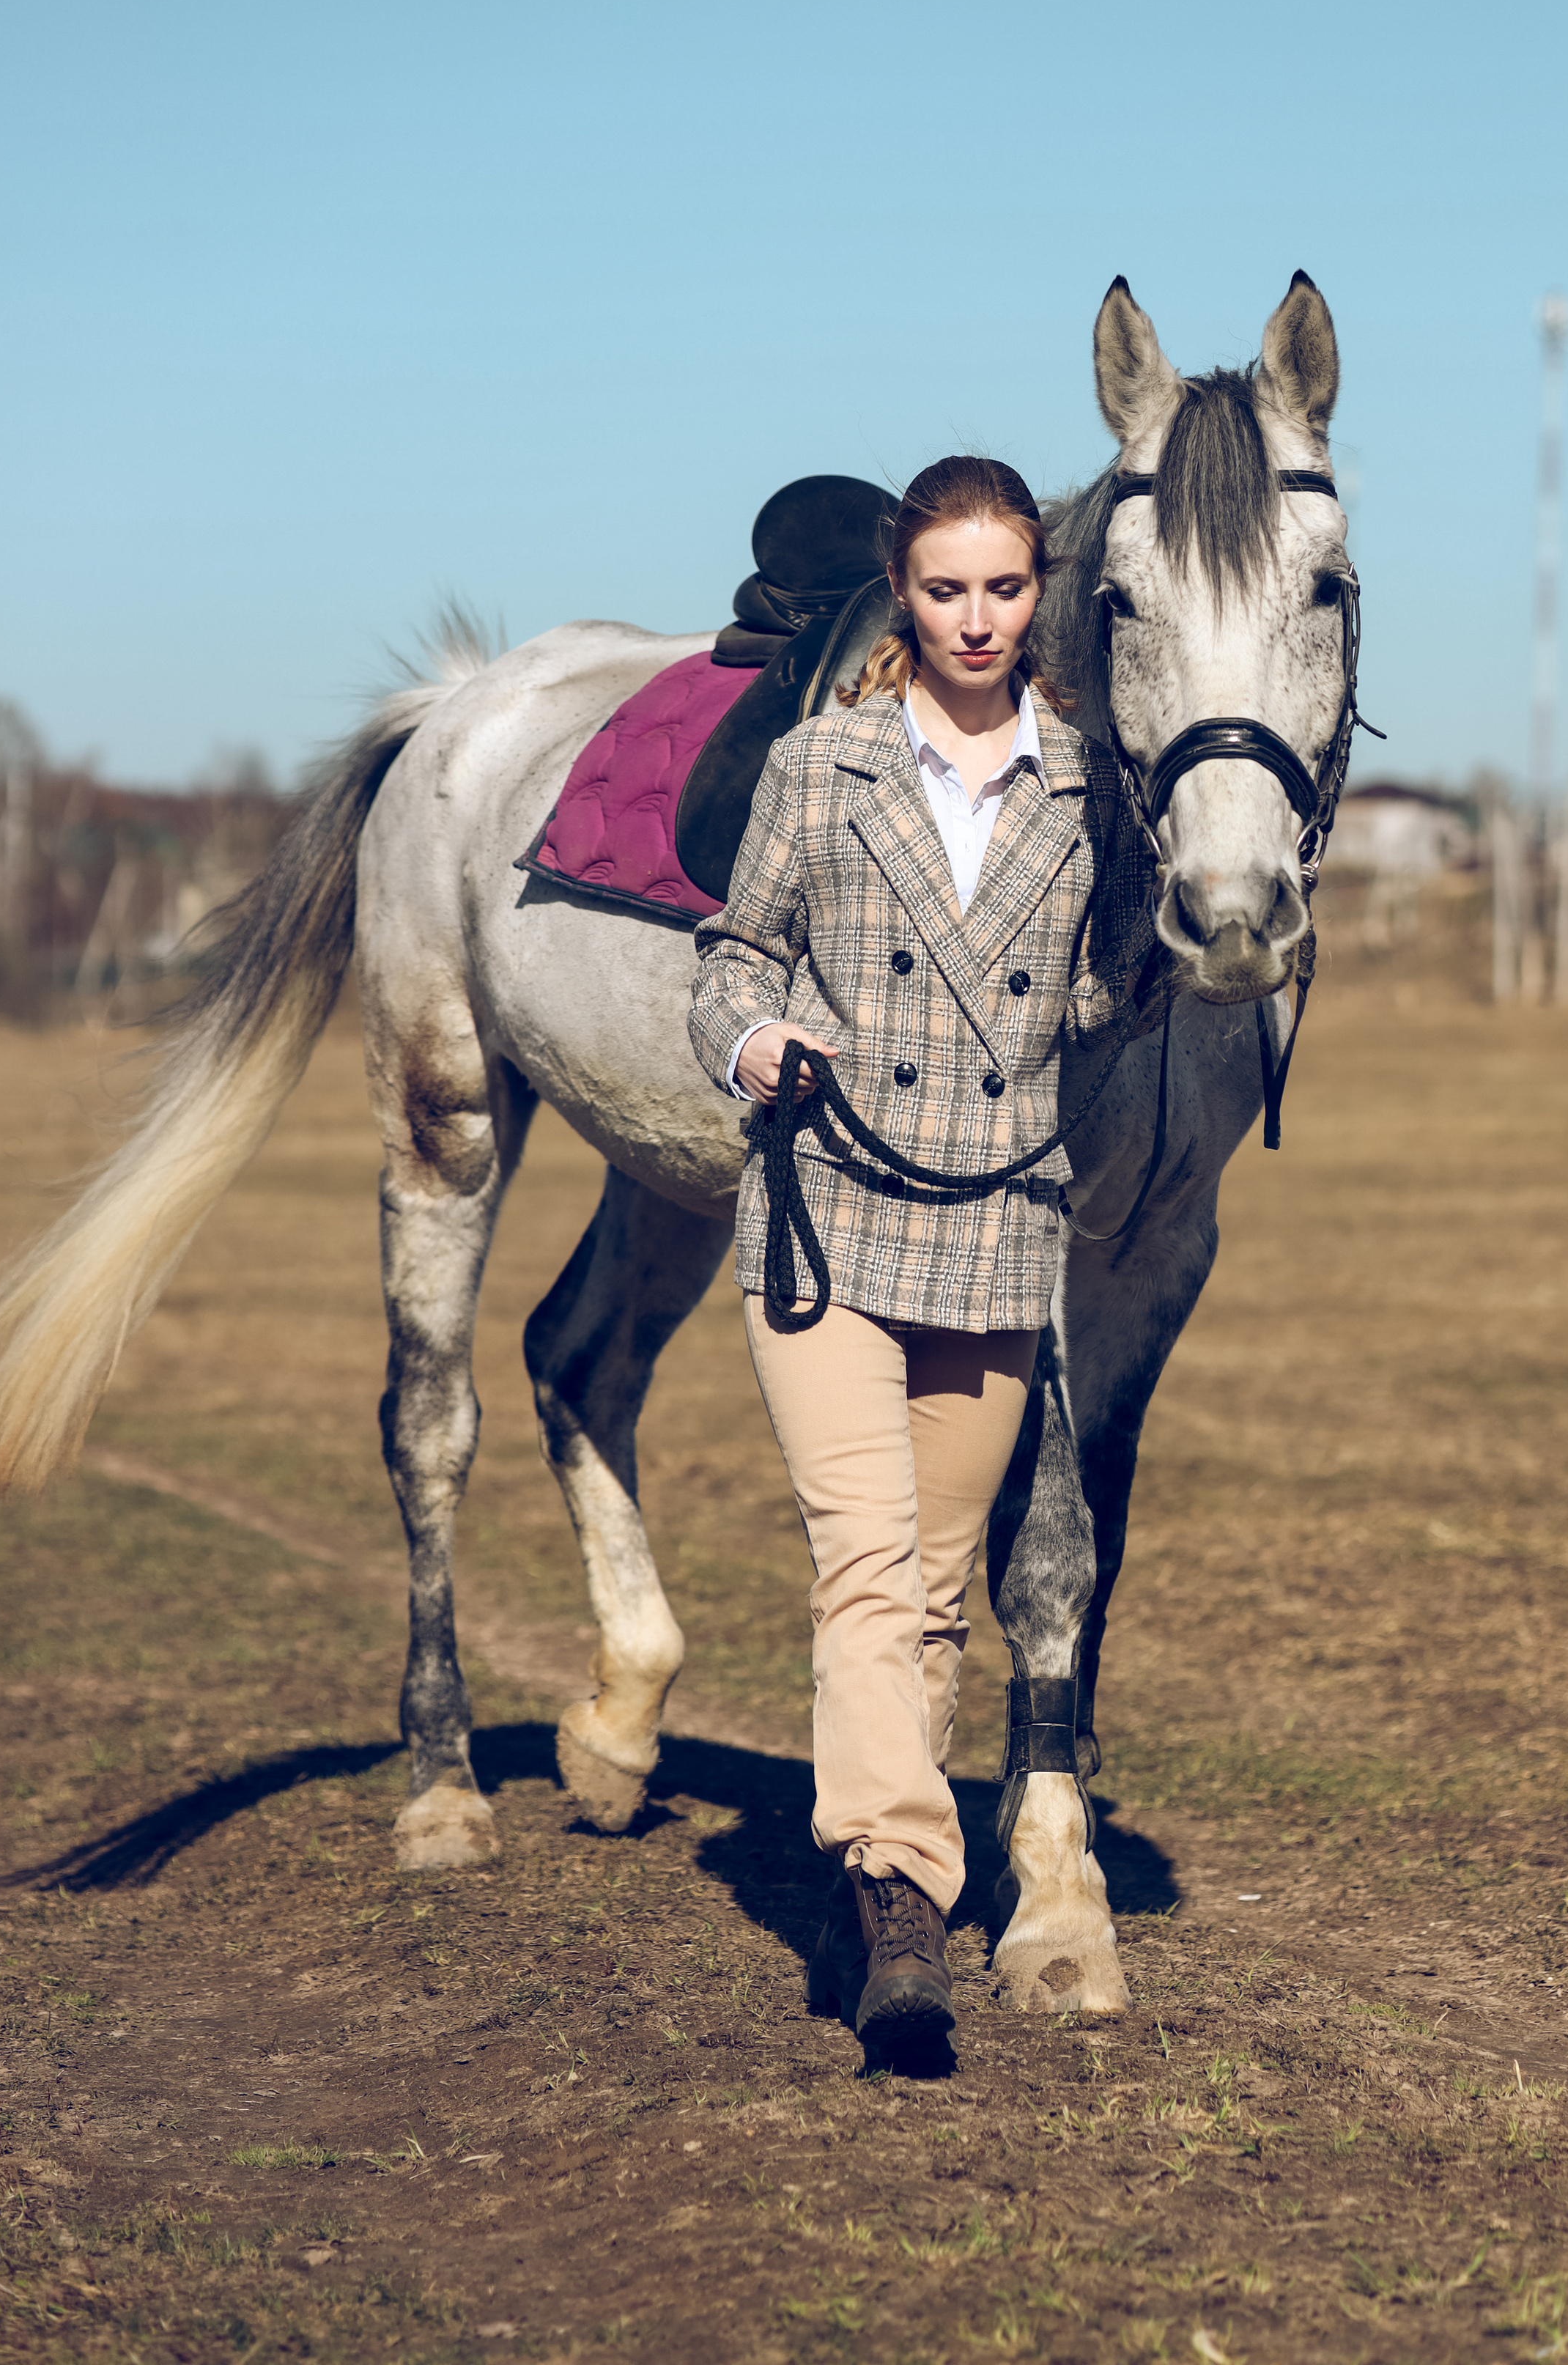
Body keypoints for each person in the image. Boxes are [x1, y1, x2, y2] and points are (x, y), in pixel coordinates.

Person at [686, 455, 1153, 2051]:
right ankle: (902, 1903)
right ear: (905, 591)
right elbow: (731, 954)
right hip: (825, 1217)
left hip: (998, 1229)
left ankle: (876, 1865)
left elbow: (1099, 1005)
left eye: (1003, 588)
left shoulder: (1094, 785)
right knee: (869, 1570)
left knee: (940, 1591)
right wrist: (748, 1038)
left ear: (1040, 595)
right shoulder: (821, 765)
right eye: (944, 589)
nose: (974, 619)